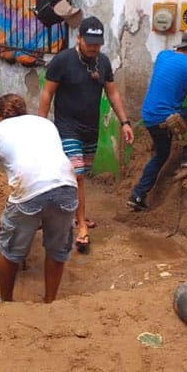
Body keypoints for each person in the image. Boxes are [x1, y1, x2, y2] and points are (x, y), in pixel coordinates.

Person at [0, 94, 78, 303]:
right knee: (57, 249)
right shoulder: (45, 123)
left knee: (10, 250)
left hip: (29, 191)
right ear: (25, 111)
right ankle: (50, 301)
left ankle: (6, 301)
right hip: (66, 185)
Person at [38, 16, 134, 253]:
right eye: (89, 43)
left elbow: (112, 93)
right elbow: (47, 94)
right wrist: (40, 126)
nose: (93, 48)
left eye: (97, 44)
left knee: (79, 175)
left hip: (90, 128)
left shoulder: (102, 63)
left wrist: (125, 122)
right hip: (66, 126)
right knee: (77, 175)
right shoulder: (62, 61)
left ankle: (72, 212)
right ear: (78, 38)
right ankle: (81, 225)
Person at [127, 28, 187, 211]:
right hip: (166, 118)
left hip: (149, 116)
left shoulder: (163, 55)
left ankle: (138, 194)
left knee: (161, 155)